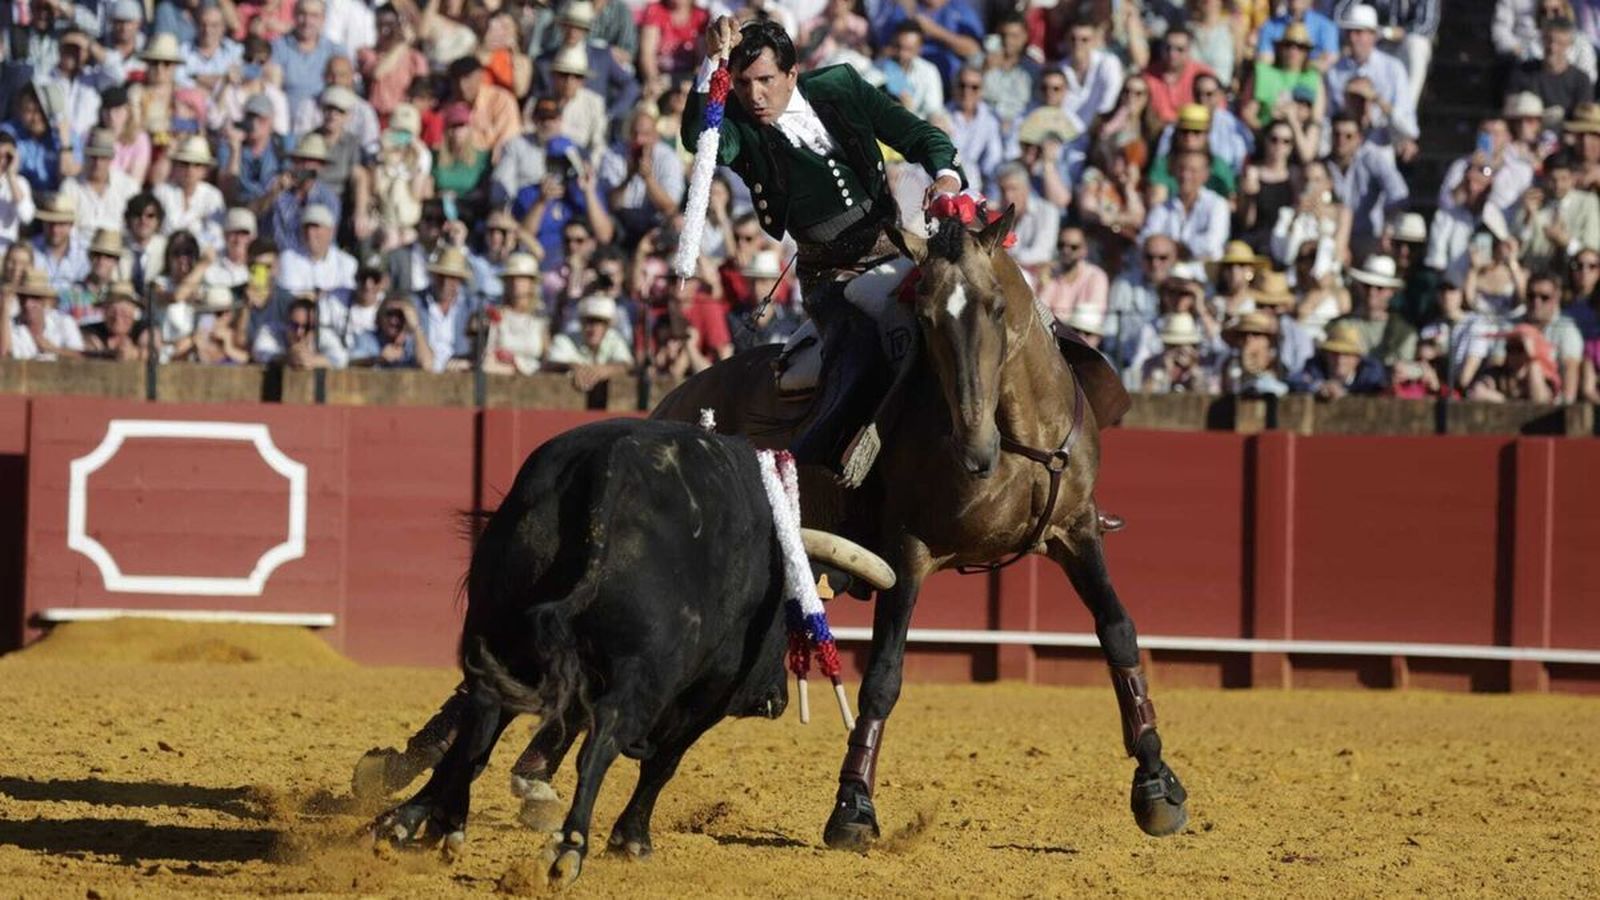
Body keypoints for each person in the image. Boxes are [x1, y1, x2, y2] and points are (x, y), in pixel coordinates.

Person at [683, 17, 962, 472]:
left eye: (766, 81)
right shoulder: (736, 123)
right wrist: (711, 62)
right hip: (829, 276)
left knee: (977, 314)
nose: (754, 95)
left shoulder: (842, 85)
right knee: (855, 346)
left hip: (898, 251)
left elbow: (919, 136)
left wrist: (946, 178)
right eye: (743, 83)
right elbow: (701, 139)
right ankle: (815, 464)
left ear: (792, 74)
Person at [1139, 149, 1230, 262]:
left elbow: (1213, 243)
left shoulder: (1218, 205)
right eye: (1182, 169)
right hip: (1167, 273)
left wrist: (1170, 247)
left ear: (1205, 175)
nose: (1185, 175)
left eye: (1193, 171)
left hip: (1204, 273)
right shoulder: (1163, 208)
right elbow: (1144, 239)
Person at [545, 293, 633, 394]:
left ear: (608, 325)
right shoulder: (565, 339)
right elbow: (550, 364)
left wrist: (605, 370)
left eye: (599, 322)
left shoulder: (615, 339)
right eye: (589, 321)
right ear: (581, 322)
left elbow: (627, 365)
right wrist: (573, 367)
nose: (593, 328)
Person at [481, 253, 548, 375]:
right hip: (500, 376)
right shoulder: (496, 314)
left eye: (522, 278)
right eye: (511, 278)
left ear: (531, 283)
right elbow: (488, 353)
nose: (516, 282)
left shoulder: (540, 319)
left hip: (534, 380)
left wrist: (519, 364)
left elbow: (547, 357)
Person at [1289, 320, 1390, 396]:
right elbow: (1294, 379)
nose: (1340, 360)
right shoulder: (1314, 367)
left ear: (1357, 358)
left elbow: (1377, 388)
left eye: (1346, 354)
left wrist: (1345, 393)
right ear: (1326, 355)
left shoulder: (1371, 372)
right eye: (1335, 353)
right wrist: (1318, 386)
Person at [1037, 226, 1108, 329]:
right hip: (1049, 336)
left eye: (1073, 247)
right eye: (1061, 245)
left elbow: (1091, 322)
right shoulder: (1051, 274)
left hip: (1080, 339)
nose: (1066, 250)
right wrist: (1045, 285)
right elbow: (1040, 314)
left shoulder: (1096, 277)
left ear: (1085, 250)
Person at [8, 269, 83, 360]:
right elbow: (4, 356)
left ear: (45, 301)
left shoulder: (64, 322)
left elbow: (81, 357)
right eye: (22, 297)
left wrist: (54, 349)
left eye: (35, 298)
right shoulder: (10, 326)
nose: (27, 304)